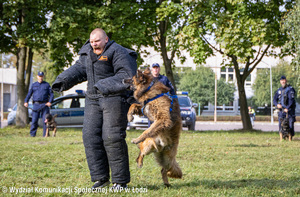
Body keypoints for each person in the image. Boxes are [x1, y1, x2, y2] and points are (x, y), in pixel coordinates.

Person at [51, 28, 137, 190]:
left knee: (112, 137)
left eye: (97, 41)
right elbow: (78, 69)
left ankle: (120, 181)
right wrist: (62, 80)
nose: (94, 44)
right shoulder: (87, 53)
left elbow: (126, 75)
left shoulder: (118, 52)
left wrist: (102, 85)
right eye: (91, 42)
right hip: (93, 99)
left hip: (115, 98)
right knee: (90, 137)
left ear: (105, 39)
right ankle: (101, 178)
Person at [24, 71, 54, 137]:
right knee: (34, 121)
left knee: (45, 121)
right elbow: (29, 94)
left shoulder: (47, 85)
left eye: (42, 76)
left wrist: (50, 102)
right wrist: (26, 101)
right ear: (37, 76)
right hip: (36, 105)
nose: (40, 78)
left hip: (44, 105)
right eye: (39, 76)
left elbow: (51, 94)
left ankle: (45, 135)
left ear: (43, 77)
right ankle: (32, 135)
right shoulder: (34, 85)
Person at [273, 75, 296, 140]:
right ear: (280, 82)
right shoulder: (279, 90)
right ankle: (282, 137)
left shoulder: (290, 89)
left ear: (286, 81)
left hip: (289, 111)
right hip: (281, 111)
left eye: (284, 80)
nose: (283, 81)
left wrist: (287, 108)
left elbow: (291, 101)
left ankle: (290, 137)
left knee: (290, 124)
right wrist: (277, 104)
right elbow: (274, 99)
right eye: (282, 80)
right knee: (281, 124)